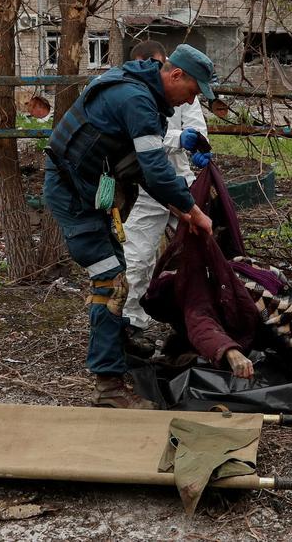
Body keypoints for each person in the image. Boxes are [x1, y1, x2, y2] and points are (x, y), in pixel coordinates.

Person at [43, 43, 216, 409]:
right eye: (193, 91)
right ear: (175, 75)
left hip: (92, 193)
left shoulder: (148, 98)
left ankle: (118, 340)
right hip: (73, 195)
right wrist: (193, 210)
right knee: (111, 282)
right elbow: (155, 168)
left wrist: (184, 210)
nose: (190, 102)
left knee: (118, 269)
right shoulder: (135, 98)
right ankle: (108, 388)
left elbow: (148, 173)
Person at [121, 40, 212, 357]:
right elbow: (145, 140)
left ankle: (204, 319)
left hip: (182, 182)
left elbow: (195, 125)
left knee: (202, 248)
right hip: (150, 184)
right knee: (138, 255)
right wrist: (178, 139)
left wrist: (198, 147)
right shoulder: (136, 94)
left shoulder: (184, 87)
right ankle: (129, 323)